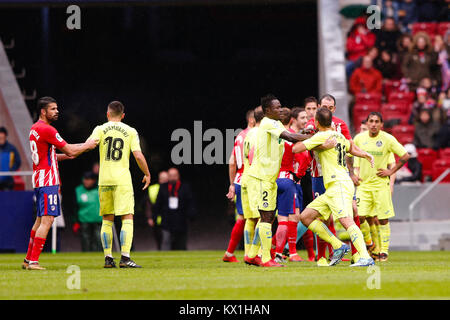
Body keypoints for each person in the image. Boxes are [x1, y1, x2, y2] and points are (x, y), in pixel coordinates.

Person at [293, 107, 375, 267]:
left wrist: (319, 144)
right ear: (331, 121)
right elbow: (351, 148)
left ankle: (365, 256)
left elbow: (296, 148)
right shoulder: (340, 136)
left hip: (339, 185)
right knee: (306, 217)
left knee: (346, 220)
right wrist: (365, 154)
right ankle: (338, 245)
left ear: (316, 122)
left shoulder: (321, 136)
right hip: (333, 187)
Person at [23, 96, 98, 270]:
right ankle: (34, 261)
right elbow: (70, 149)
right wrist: (87, 146)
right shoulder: (48, 130)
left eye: (57, 108)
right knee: (48, 220)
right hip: (49, 180)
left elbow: (52, 156)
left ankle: (28, 259)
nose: (57, 112)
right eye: (53, 109)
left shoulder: (34, 129)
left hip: (39, 179)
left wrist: (75, 151)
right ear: (43, 111)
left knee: (39, 220)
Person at [244, 94, 317, 267]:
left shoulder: (274, 123)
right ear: (267, 110)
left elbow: (290, 136)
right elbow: (289, 138)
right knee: (267, 216)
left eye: (280, 106)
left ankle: (252, 255)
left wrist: (302, 134)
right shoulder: (268, 123)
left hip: (269, 177)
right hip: (262, 176)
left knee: (268, 217)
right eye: (276, 107)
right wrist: (314, 139)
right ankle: (267, 259)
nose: (280, 109)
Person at [88, 100, 151, 268]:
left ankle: (108, 258)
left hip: (104, 180)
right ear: (123, 115)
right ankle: (125, 257)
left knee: (107, 220)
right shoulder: (130, 131)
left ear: (107, 114)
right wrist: (147, 173)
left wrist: (68, 152)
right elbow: (138, 155)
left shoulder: (100, 129)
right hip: (122, 180)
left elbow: (88, 146)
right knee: (127, 217)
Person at [306, 94, 363, 265]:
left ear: (334, 109)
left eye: (330, 108)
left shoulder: (341, 124)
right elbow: (305, 140)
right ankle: (323, 256)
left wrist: (352, 172)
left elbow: (350, 148)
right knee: (323, 217)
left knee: (354, 210)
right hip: (319, 176)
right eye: (323, 106)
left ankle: (357, 254)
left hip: (339, 175)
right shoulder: (313, 123)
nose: (326, 110)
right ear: (318, 106)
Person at [353, 112, 410, 261]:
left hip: (381, 186)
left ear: (381, 124)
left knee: (383, 219)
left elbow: (405, 156)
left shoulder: (387, 139)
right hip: (364, 186)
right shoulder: (359, 138)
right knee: (359, 216)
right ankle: (370, 243)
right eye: (371, 121)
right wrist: (352, 174)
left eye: (376, 121)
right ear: (367, 123)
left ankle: (384, 251)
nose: (373, 124)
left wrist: (391, 172)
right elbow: (348, 154)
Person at [222, 109, 255, 262]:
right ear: (251, 120)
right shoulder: (254, 135)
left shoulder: (240, 136)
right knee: (254, 217)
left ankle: (230, 253)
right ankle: (252, 253)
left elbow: (232, 162)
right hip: (251, 179)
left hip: (240, 179)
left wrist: (232, 183)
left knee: (243, 217)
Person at [273, 107, 304, 263]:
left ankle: (263, 252)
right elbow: (303, 157)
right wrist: (299, 175)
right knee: (288, 218)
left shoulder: (271, 136)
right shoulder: (292, 138)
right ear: (291, 120)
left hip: (271, 179)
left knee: (268, 219)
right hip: (287, 179)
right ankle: (283, 253)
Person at [240, 106, 264, 260]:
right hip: (257, 180)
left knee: (250, 218)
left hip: (246, 178)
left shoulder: (247, 134)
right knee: (265, 216)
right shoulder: (260, 134)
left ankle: (247, 252)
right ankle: (257, 252)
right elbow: (254, 154)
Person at [153, 167, 196, 251]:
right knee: (166, 242)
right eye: (170, 175)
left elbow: (190, 202)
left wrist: (191, 214)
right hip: (166, 220)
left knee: (181, 243)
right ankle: (164, 261)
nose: (172, 178)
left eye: (174, 175)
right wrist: (154, 217)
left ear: (178, 176)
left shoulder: (184, 187)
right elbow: (158, 204)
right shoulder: (163, 188)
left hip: (181, 219)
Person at [74, 171, 103, 252]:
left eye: (88, 179)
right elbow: (75, 207)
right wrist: (75, 221)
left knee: (98, 239)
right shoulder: (78, 190)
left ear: (94, 180)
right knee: (85, 239)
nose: (86, 181)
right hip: (84, 220)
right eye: (85, 179)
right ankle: (86, 255)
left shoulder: (100, 189)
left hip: (98, 219)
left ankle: (98, 256)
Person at [146, 171, 169, 250]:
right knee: (159, 239)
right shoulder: (153, 189)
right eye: (163, 179)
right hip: (157, 218)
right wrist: (149, 217)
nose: (165, 181)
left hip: (169, 218)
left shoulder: (173, 188)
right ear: (159, 180)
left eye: (166, 179)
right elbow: (148, 204)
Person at [0, 126, 21, 191]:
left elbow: (18, 161)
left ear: (5, 137)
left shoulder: (11, 148)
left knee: (7, 199)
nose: (1, 140)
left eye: (2, 138)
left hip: (7, 181)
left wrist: (11, 171)